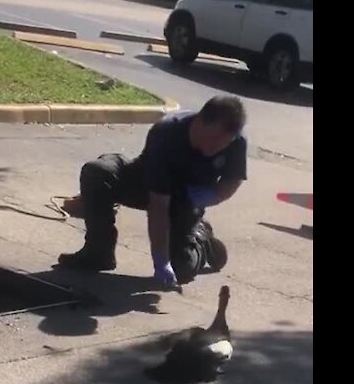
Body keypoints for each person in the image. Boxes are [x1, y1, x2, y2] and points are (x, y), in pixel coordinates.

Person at [58, 96, 245, 287]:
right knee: (98, 172)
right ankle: (98, 253)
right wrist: (160, 260)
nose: (216, 148)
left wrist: (214, 196)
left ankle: (201, 238)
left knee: (181, 269)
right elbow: (158, 207)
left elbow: (233, 180)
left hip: (185, 201)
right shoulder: (167, 133)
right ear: (200, 120)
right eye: (213, 139)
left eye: (223, 144)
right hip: (145, 182)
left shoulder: (236, 141)